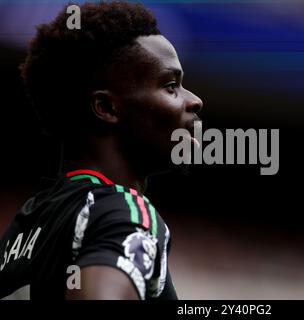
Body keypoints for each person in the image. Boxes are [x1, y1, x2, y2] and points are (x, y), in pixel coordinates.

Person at [0, 1, 203, 300]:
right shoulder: (123, 212)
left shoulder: (20, 231)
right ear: (106, 107)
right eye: (170, 85)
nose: (195, 100)